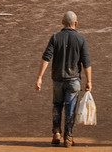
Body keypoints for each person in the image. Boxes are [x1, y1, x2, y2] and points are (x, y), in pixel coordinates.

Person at [36, 11, 93, 147]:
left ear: (62, 22)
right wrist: (89, 81)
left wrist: (39, 78)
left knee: (57, 105)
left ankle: (56, 132)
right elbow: (87, 63)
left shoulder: (55, 38)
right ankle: (68, 135)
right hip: (74, 80)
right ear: (76, 23)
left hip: (57, 79)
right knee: (70, 108)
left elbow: (46, 58)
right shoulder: (81, 39)